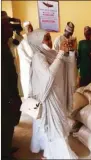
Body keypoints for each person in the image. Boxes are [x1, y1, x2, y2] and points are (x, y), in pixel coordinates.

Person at [28, 29, 77, 159]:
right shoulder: (38, 57)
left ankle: (49, 153)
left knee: (57, 125)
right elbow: (48, 76)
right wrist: (61, 53)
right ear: (37, 42)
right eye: (46, 38)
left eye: (50, 38)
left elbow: (67, 68)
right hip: (50, 98)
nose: (49, 42)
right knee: (56, 128)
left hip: (59, 94)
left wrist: (71, 52)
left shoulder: (52, 53)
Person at [2, 11, 22, 160]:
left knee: (10, 122)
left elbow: (18, 42)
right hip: (5, 95)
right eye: (7, 26)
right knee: (5, 123)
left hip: (10, 92)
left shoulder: (6, 43)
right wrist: (10, 98)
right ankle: (4, 154)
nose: (11, 29)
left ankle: (7, 147)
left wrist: (18, 31)